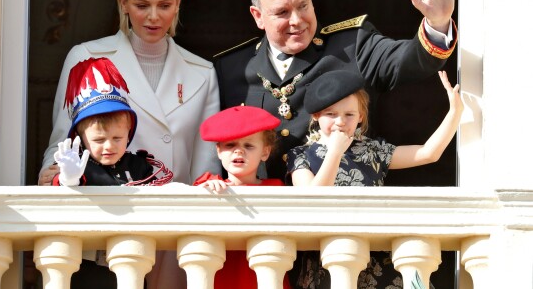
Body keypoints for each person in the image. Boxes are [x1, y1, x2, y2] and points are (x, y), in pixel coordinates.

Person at [39, 0, 220, 289]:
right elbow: (62, 141)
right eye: (141, 5)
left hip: (174, 229)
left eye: (164, 5)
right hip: (106, 223)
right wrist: (54, 174)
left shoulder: (203, 72)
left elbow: (204, 166)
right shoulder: (86, 58)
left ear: (178, 3)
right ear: (123, 3)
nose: (153, 17)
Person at [213, 0, 457, 181]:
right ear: (258, 16)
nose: (296, 20)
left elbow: (410, 61)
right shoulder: (230, 67)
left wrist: (437, 25)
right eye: (282, 12)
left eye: (303, 6)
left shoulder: (353, 45)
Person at [286, 69, 463, 288]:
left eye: (349, 114)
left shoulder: (373, 150)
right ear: (316, 116)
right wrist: (334, 153)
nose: (340, 121)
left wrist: (455, 112)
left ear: (360, 116)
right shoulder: (301, 154)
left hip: (376, 257)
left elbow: (428, 153)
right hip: (329, 257)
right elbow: (311, 200)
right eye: (331, 114)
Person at [51, 57, 173, 288]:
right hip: (87, 266)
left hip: (133, 258)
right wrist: (68, 178)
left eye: (117, 138)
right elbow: (62, 192)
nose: (109, 146)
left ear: (129, 133)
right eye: (99, 139)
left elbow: (159, 197)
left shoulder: (139, 166)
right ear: (80, 137)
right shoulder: (79, 166)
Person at [193, 105, 291, 289]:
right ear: (218, 150)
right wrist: (206, 189)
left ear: (265, 152)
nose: (239, 151)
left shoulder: (275, 188)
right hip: (222, 277)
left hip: (265, 277)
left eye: (248, 145)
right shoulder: (209, 184)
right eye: (230, 145)